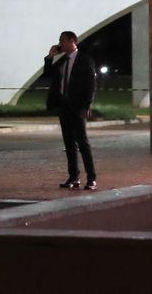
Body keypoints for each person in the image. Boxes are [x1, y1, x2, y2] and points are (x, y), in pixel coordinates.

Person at [44, 31, 98, 190]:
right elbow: (48, 74)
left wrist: (87, 106)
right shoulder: (62, 62)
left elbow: (91, 85)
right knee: (69, 144)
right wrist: (50, 57)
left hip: (77, 107)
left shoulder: (84, 60)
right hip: (64, 106)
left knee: (82, 143)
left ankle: (91, 178)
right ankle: (73, 177)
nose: (60, 43)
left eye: (62, 40)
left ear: (72, 41)